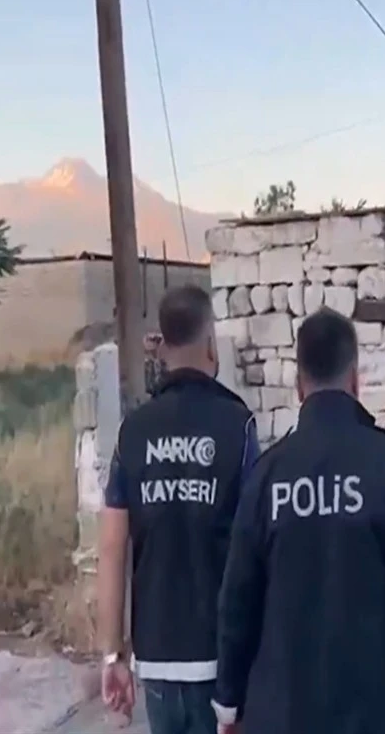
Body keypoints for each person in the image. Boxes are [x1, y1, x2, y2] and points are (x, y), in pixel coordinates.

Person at [212, 308, 385, 734]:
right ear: (355, 380)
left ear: (299, 386)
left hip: (282, 715)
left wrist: (228, 705)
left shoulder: (267, 475)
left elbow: (237, 600)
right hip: (375, 713)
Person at [97, 285, 259, 734]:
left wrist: (112, 655)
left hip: (156, 660)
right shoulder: (239, 426)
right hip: (221, 660)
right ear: (210, 343)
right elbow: (256, 545)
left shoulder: (133, 431)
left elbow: (111, 546)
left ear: (163, 346)